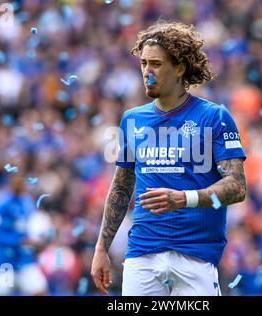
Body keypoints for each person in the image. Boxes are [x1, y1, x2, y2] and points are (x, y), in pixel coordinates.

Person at [91, 20, 247, 296]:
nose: (147, 73)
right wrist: (102, 248)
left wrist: (183, 198)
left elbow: (236, 186)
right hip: (142, 255)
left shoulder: (214, 117)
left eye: (156, 64)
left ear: (179, 67)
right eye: (143, 64)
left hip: (195, 257)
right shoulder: (132, 119)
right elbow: (121, 187)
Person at [0, 173, 50, 295]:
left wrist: (37, 239)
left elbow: (31, 227)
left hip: (23, 259)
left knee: (40, 290)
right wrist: (20, 241)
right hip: (3, 262)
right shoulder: (0, 204)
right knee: (2, 292)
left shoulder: (26, 202)